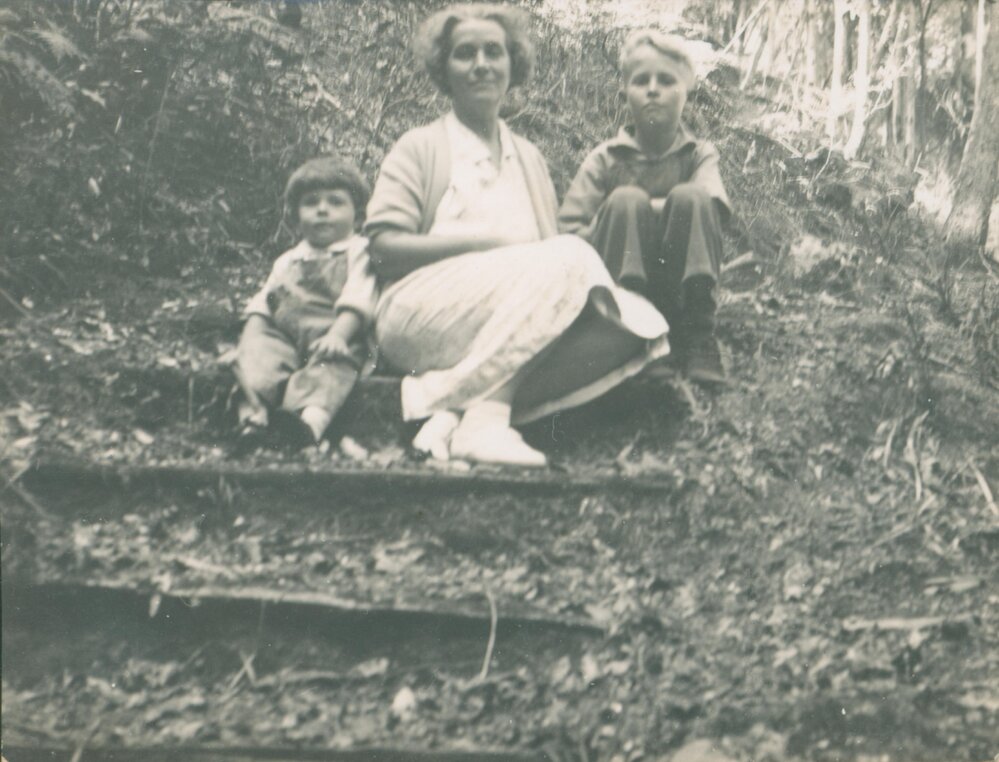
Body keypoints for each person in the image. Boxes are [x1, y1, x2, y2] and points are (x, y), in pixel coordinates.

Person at [364, 4, 669, 468]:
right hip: (419, 314)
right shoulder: (421, 147)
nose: (482, 64)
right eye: (465, 53)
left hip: (505, 321)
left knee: (637, 326)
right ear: (444, 68)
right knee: (569, 257)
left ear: (513, 64)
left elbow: (551, 273)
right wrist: (485, 243)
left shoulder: (528, 158)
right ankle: (482, 420)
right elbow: (383, 250)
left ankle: (462, 412)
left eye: (494, 52)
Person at [558, 30, 732, 385]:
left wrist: (654, 215)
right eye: (641, 81)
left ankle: (698, 334)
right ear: (625, 94)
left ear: (688, 92)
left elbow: (712, 210)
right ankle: (633, 338)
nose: (653, 89)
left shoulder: (698, 155)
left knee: (693, 198)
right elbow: (569, 232)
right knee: (625, 201)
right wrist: (622, 217)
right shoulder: (607, 159)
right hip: (616, 294)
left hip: (678, 289)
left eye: (667, 81)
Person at [233, 156, 377, 448]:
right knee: (259, 358)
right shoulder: (289, 259)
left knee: (332, 368)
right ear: (296, 215)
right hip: (285, 333)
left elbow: (360, 294)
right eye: (311, 203)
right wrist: (251, 336)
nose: (323, 210)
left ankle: (306, 425)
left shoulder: (359, 250)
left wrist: (339, 334)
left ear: (358, 216)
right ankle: (252, 417)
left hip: (334, 333)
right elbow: (266, 300)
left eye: (336, 202)